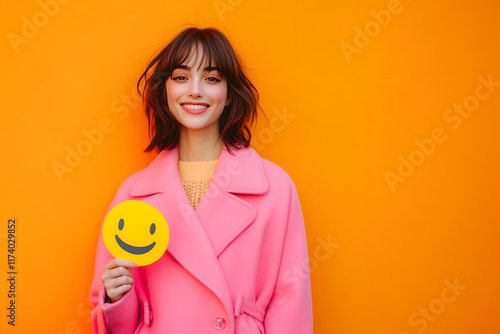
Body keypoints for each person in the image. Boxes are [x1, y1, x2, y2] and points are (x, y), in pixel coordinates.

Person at [89, 26, 313, 334]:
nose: (195, 90)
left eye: (211, 78)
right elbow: (119, 322)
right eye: (181, 77)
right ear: (165, 90)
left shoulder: (275, 188)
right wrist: (116, 298)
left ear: (230, 94)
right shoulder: (133, 195)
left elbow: (290, 303)